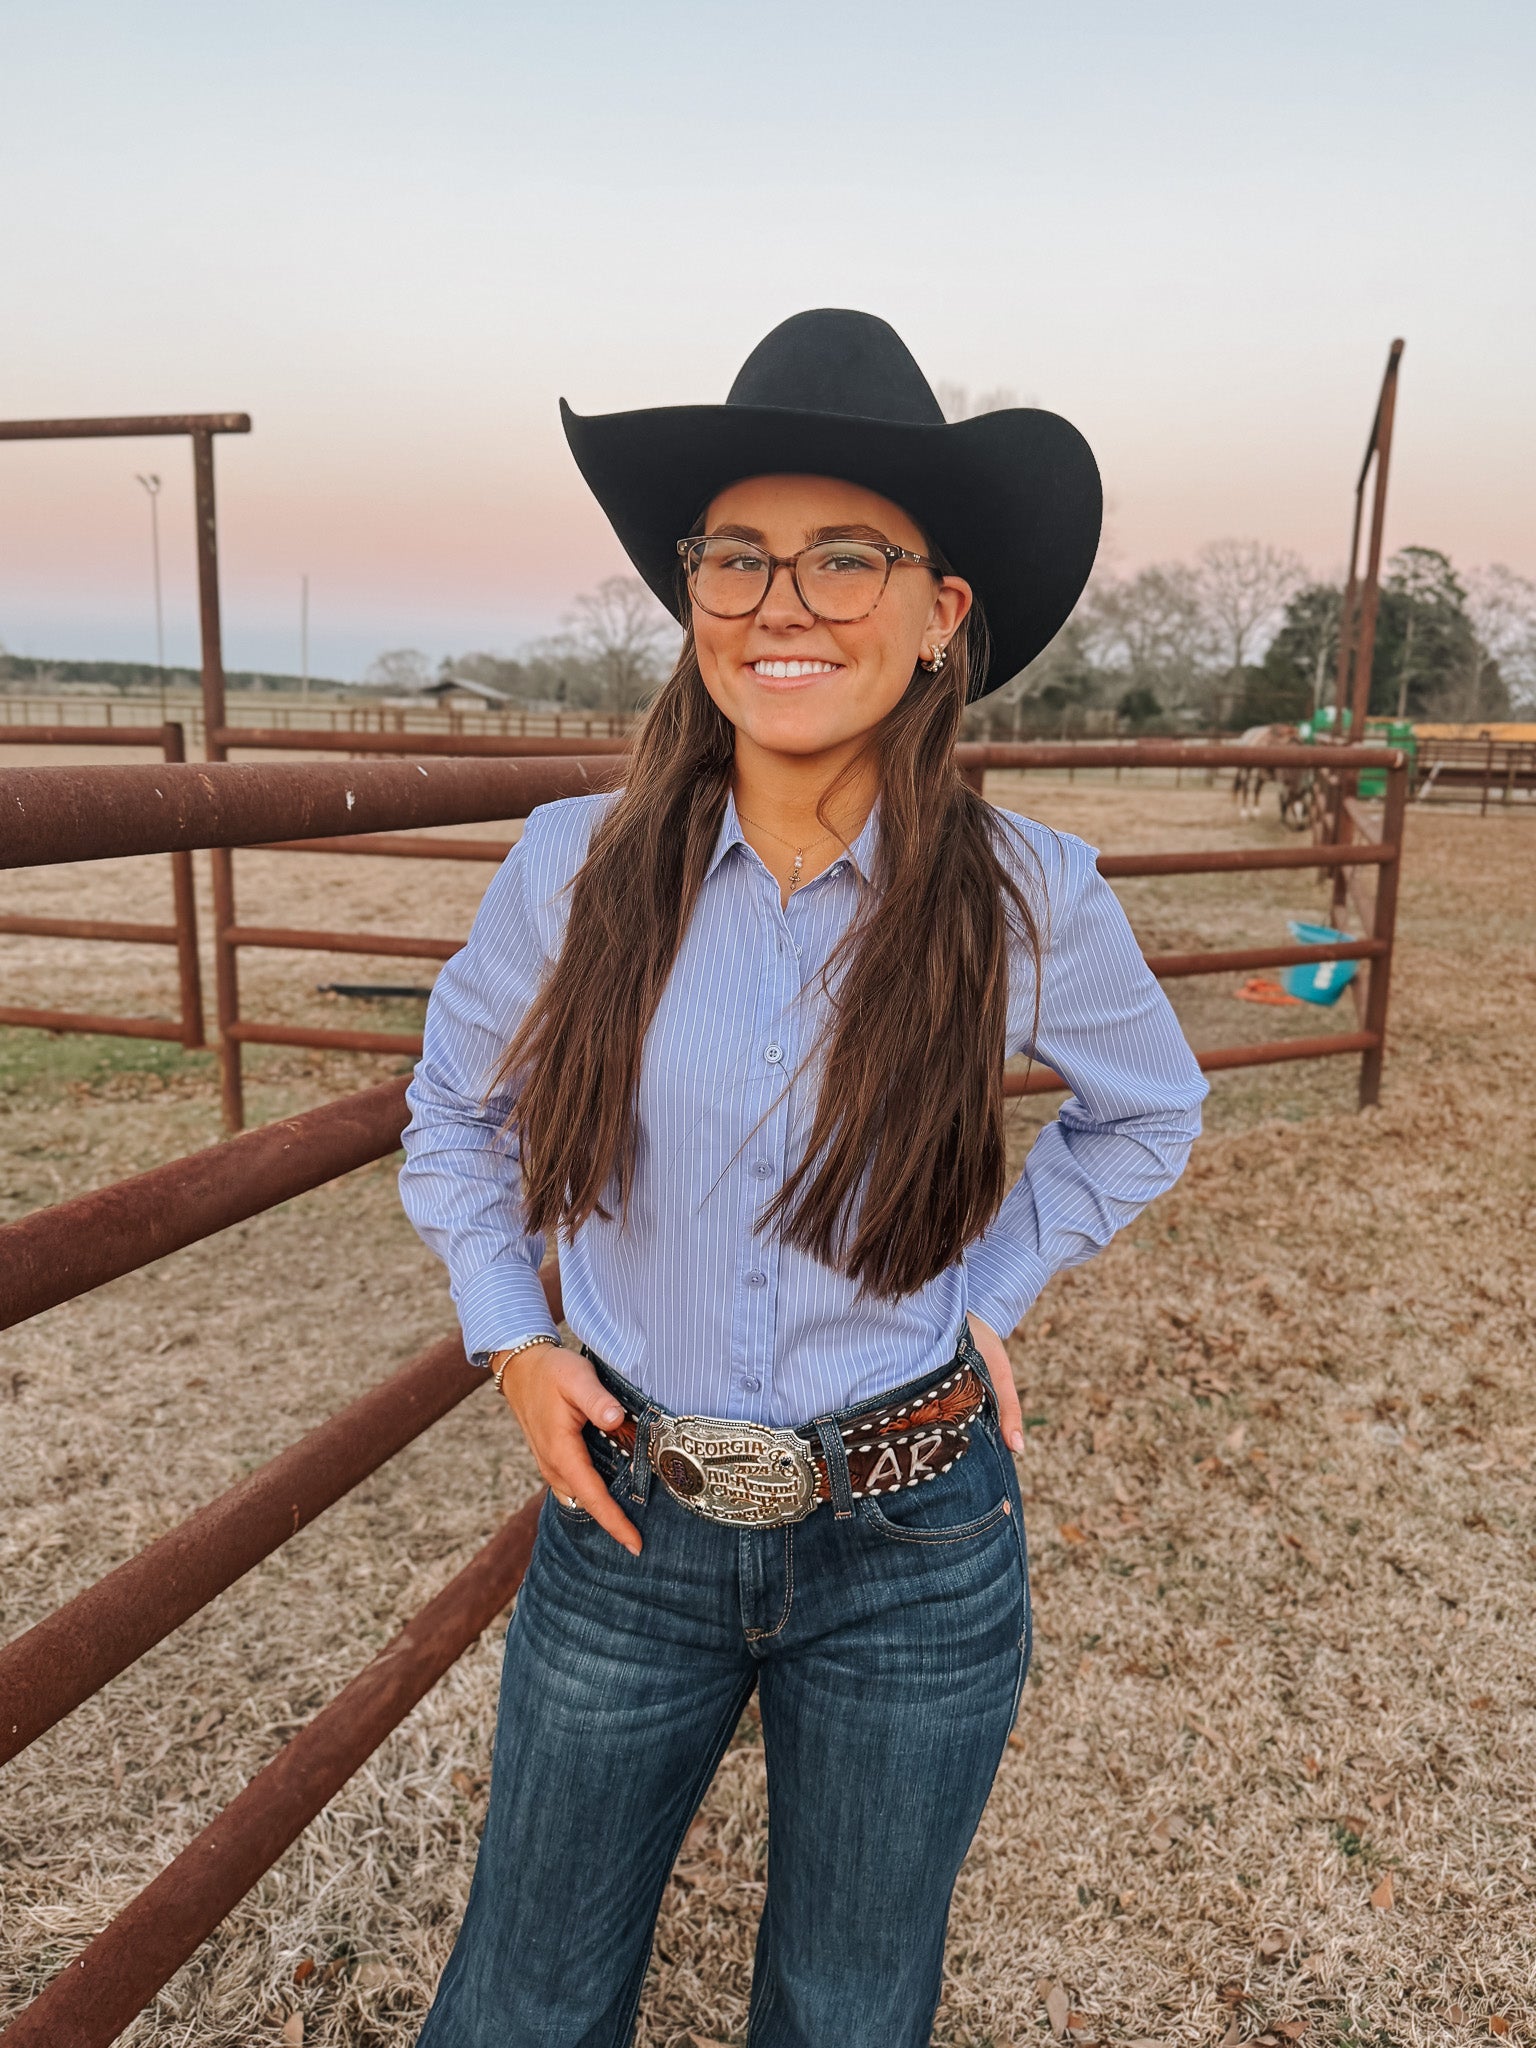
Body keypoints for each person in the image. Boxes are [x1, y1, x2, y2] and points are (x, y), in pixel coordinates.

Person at [399, 308, 1207, 2047]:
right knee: (523, 2001)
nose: (783, 605)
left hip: (916, 1539)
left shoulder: (1027, 892)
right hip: (633, 1520)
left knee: (848, 2009)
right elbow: (455, 1115)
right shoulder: (573, 870)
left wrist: (990, 1291)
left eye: (848, 559)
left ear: (941, 614)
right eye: (738, 558)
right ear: (692, 595)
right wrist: (513, 1338)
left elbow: (1148, 1111)